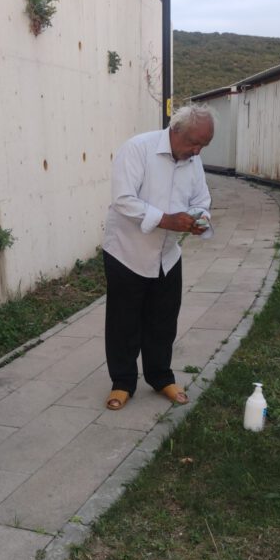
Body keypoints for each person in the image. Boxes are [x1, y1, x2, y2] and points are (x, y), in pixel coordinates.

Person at [102, 104, 215, 411]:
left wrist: (199, 218)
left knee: (163, 320)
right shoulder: (138, 149)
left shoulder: (193, 160)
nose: (197, 151)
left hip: (167, 255)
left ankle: (160, 376)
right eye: (194, 143)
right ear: (176, 131)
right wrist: (167, 219)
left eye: (203, 146)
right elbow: (123, 200)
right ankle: (123, 382)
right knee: (124, 322)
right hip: (127, 251)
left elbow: (201, 200)